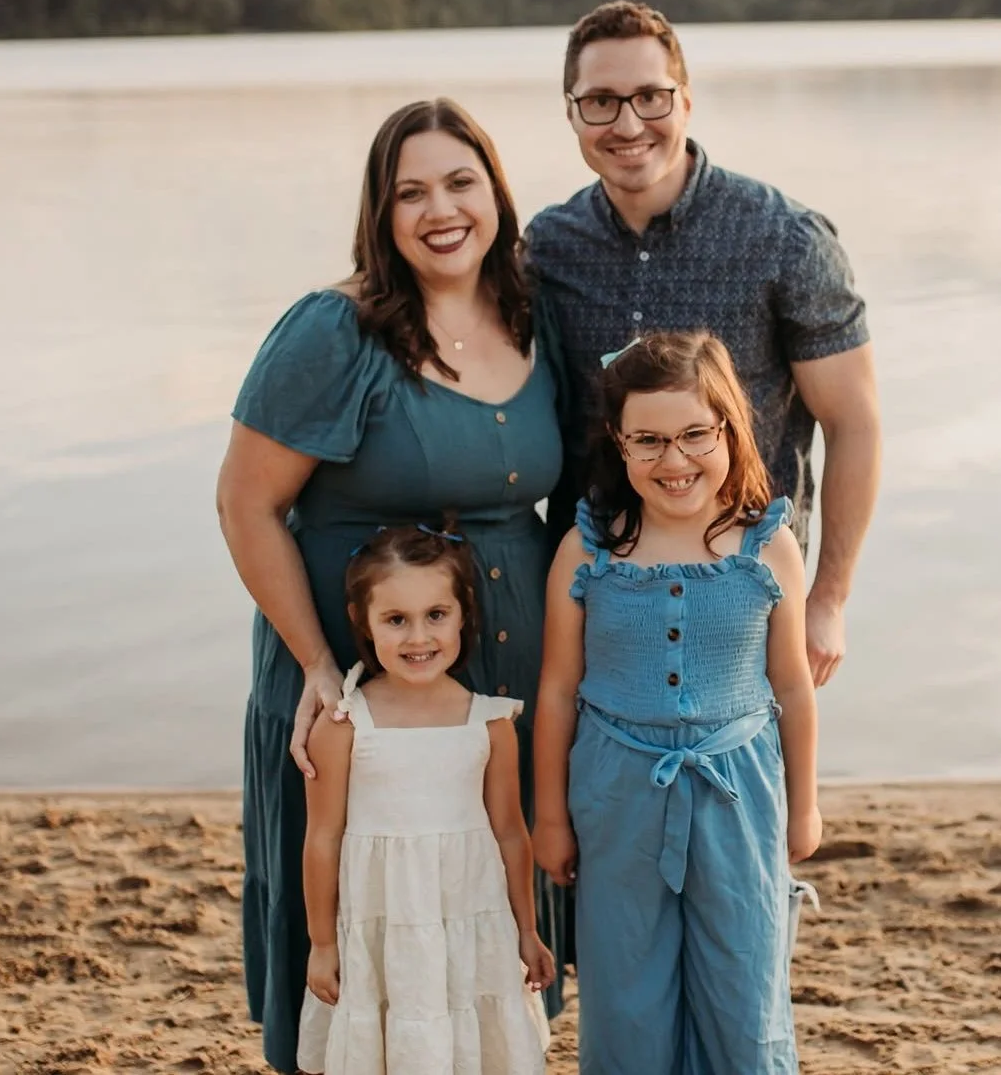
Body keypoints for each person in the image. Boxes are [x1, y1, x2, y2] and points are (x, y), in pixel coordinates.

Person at [216, 98, 569, 1073]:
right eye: (410, 191)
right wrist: (320, 669)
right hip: (358, 672)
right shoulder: (335, 330)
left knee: (482, 906)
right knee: (355, 910)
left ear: (495, 190)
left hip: (502, 676)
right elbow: (246, 505)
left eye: (460, 181)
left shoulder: (536, 316)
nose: (439, 209)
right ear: (381, 211)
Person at [526, 0, 881, 687]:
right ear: (571, 113)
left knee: (755, 793)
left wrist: (828, 599)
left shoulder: (785, 239)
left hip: (745, 604)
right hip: (597, 603)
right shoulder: (547, 247)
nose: (628, 124)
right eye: (600, 101)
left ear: (685, 101)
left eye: (651, 97)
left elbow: (854, 422)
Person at [533, 331, 820, 1074]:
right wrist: (552, 814)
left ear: (729, 426)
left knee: (744, 980)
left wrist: (805, 801)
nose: (675, 458)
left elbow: (791, 683)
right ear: (618, 443)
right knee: (625, 983)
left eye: (697, 434)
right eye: (650, 440)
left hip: (739, 786)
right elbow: (558, 689)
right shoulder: (590, 550)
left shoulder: (767, 546)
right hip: (616, 786)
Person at [297, 523, 554, 1074]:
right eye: (396, 620)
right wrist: (322, 943)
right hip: (383, 922)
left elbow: (510, 833)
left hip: (470, 918)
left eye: (436, 615)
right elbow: (322, 838)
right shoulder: (345, 725)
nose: (418, 638)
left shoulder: (490, 722)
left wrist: (527, 932)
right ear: (361, 621)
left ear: (464, 613)